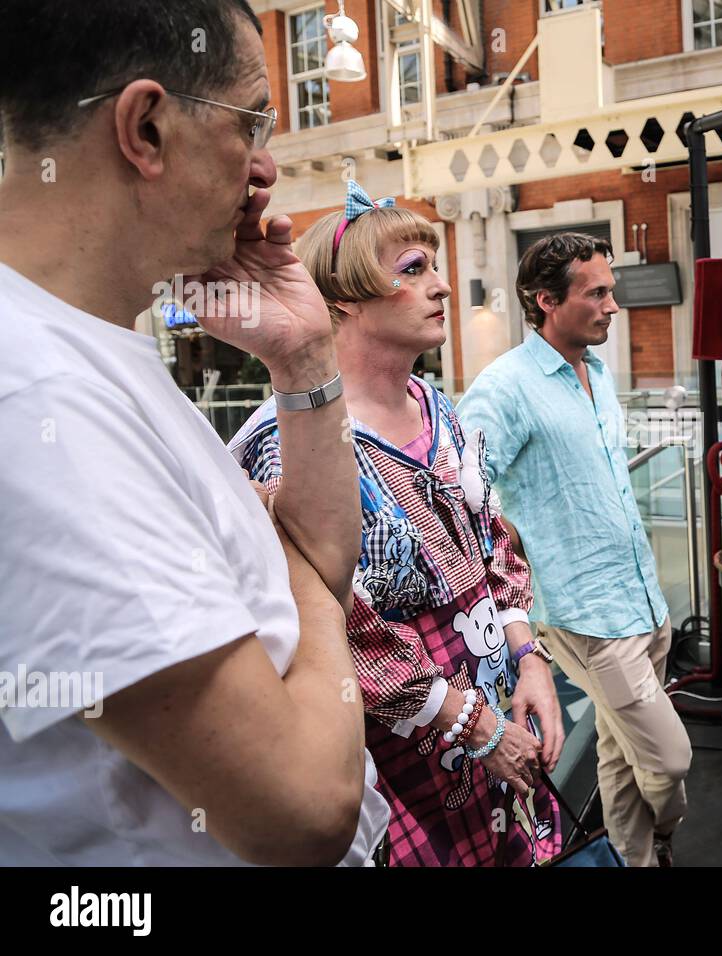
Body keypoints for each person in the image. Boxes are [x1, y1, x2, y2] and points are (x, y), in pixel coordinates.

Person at [0, 0, 390, 864]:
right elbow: (305, 809)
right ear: (146, 127)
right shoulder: (35, 397)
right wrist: (297, 569)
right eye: (251, 122)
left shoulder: (91, 354)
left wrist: (304, 355)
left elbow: (321, 548)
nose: (265, 168)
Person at [231, 182, 564, 866]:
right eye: (413, 270)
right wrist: (473, 726)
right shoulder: (289, 441)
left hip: (490, 730)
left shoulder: (435, 406)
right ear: (344, 298)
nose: (441, 287)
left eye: (433, 267)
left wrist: (528, 656)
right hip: (400, 756)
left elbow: (488, 539)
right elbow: (328, 623)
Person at [458, 232, 692, 867]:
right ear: (546, 301)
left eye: (611, 291)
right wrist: (516, 581)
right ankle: (666, 832)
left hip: (642, 596)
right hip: (584, 612)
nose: (613, 306)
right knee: (670, 757)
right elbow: (461, 499)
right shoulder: (504, 387)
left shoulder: (595, 370)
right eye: (598, 293)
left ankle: (638, 858)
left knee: (619, 751)